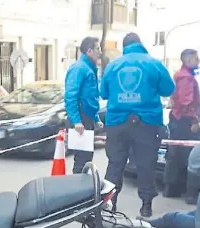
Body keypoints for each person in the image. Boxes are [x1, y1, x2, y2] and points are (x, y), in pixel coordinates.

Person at [100, 32, 175, 217]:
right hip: (147, 122)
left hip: (117, 122)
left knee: (115, 164)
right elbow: (168, 89)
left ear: (124, 47)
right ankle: (146, 205)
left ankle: (110, 204)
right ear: (140, 44)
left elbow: (103, 92)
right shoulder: (154, 63)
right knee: (145, 164)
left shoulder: (113, 65)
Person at [163, 49, 200, 204]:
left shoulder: (179, 76)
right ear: (187, 61)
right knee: (192, 156)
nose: (198, 61)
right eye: (195, 58)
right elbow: (187, 102)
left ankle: (171, 188)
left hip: (177, 119)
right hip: (185, 121)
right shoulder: (187, 78)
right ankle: (191, 193)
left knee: (175, 154)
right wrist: (194, 121)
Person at [64, 36, 104, 174]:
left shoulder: (90, 68)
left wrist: (96, 119)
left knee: (86, 157)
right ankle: (77, 190)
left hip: (87, 118)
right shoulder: (79, 68)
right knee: (81, 159)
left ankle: (81, 189)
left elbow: (91, 98)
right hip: (81, 119)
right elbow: (71, 96)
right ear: (89, 51)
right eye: (98, 48)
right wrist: (76, 121)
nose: (100, 52)